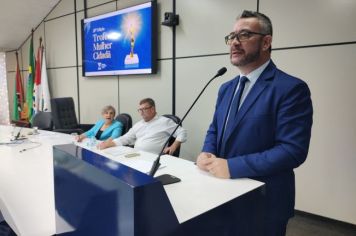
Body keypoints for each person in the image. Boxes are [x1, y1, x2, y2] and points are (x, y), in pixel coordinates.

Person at [196, 10, 313, 236]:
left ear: (266, 41)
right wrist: (207, 152)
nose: (234, 42)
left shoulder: (290, 88)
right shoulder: (226, 87)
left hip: (263, 204)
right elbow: (215, 128)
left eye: (244, 35)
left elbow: (292, 150)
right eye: (231, 37)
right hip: (220, 197)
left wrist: (232, 166)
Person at [98, 98, 187, 155]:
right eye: (139, 110)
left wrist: (174, 146)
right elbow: (126, 138)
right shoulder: (139, 124)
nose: (141, 112)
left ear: (152, 109)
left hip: (154, 159)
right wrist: (111, 143)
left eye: (144, 109)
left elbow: (182, 132)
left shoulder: (164, 121)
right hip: (136, 156)